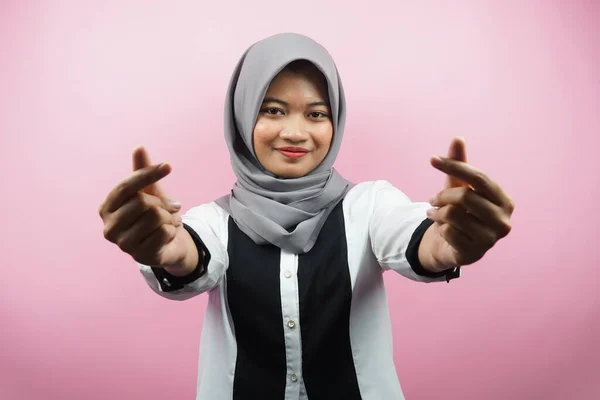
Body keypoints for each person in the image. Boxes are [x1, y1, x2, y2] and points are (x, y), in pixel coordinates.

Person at [98, 33, 514, 400]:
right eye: (273, 110)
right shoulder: (214, 221)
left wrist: (451, 243)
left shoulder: (368, 206)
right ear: (242, 117)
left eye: (316, 114)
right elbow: (190, 256)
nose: (296, 133)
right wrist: (161, 249)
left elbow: (418, 239)